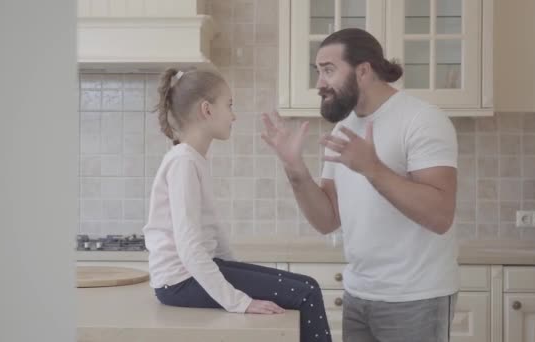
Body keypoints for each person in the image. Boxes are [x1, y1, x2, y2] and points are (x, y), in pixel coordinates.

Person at [262, 28, 459, 342]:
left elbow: (440, 215)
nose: (319, 84)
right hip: (358, 294)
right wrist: (295, 169)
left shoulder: (422, 119)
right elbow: (327, 220)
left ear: (364, 70)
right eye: (318, 72)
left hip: (416, 298)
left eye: (328, 70)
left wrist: (372, 169)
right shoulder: (344, 128)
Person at [143, 67, 333, 342]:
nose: (234, 116)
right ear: (206, 110)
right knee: (306, 293)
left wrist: (238, 271)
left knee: (309, 287)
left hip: (191, 274)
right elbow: (188, 246)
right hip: (179, 282)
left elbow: (213, 230)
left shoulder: (193, 159)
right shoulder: (183, 162)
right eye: (229, 105)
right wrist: (239, 301)